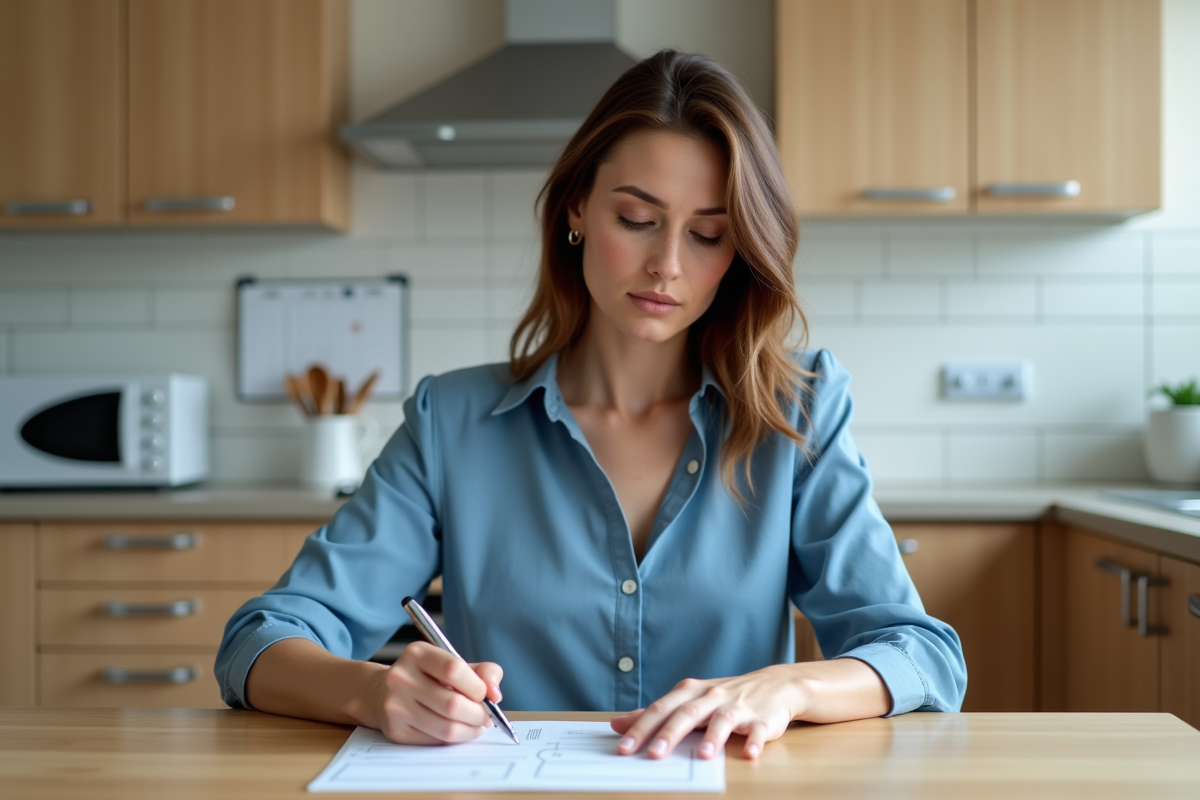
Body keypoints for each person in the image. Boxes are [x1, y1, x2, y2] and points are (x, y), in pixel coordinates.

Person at [216, 50, 966, 762]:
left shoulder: (795, 414)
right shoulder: (453, 420)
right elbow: (259, 641)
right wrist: (374, 692)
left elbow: (923, 655)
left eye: (708, 235)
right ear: (577, 207)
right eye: (636, 220)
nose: (667, 265)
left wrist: (790, 686)